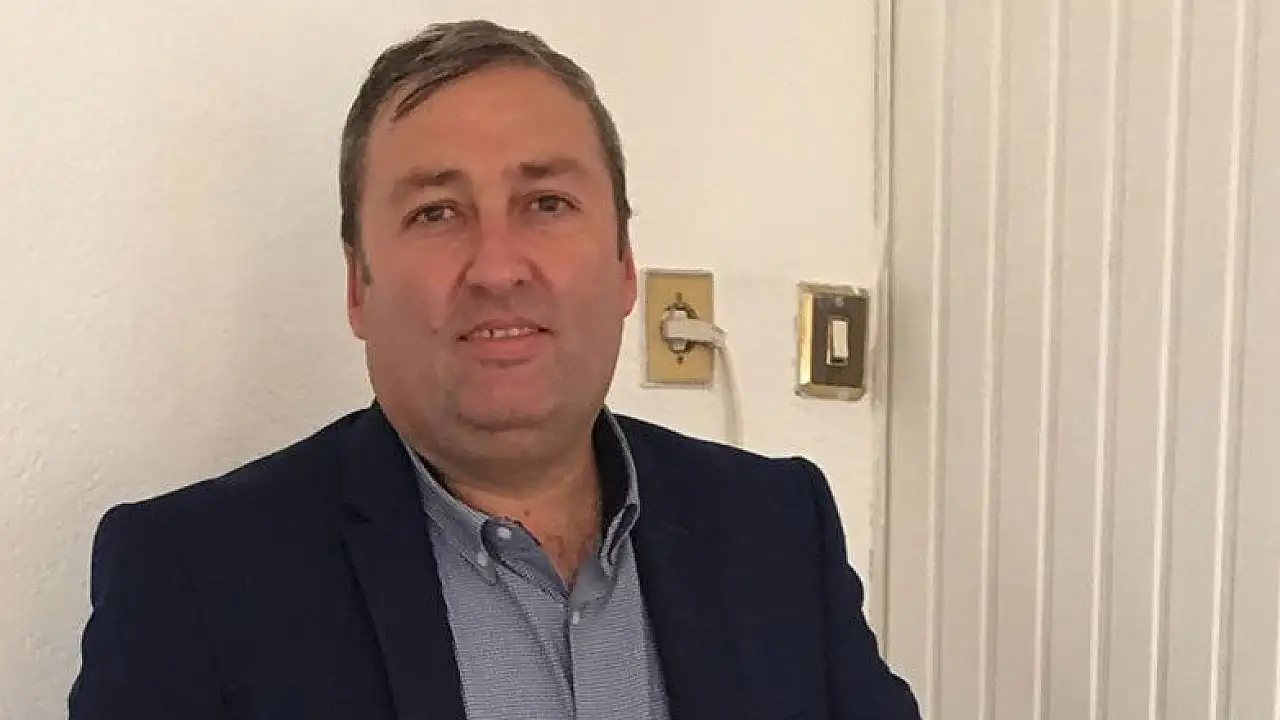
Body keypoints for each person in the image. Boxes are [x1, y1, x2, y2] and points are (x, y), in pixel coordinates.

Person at [69, 19, 920, 720]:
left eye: (546, 203)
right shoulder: (193, 576)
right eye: (436, 212)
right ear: (359, 286)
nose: (498, 267)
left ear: (625, 264)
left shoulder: (777, 529)